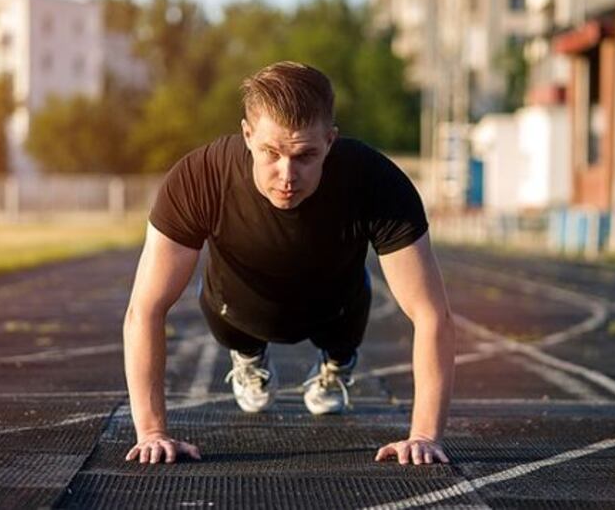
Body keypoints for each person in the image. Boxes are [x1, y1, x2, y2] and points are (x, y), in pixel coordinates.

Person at [123, 61, 455, 466]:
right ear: (248, 135)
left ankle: (337, 363)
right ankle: (248, 356)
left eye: (305, 155)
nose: (287, 175)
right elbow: (145, 308)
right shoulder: (199, 178)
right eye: (271, 153)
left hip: (337, 305)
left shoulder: (376, 181)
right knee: (228, 313)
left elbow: (431, 313)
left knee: (347, 320)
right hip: (237, 306)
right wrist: (152, 432)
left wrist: (424, 435)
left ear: (330, 142)